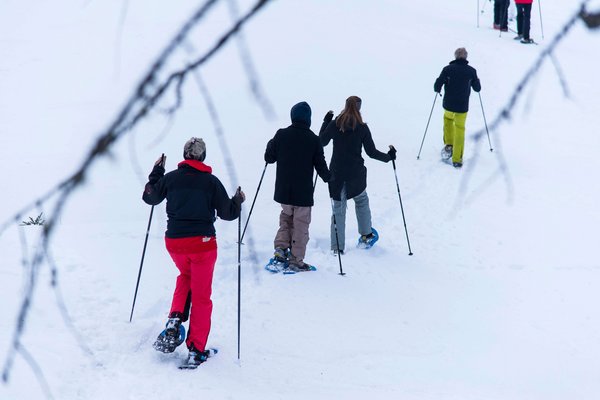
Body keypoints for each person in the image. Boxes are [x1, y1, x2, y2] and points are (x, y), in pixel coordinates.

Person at [142, 137, 245, 368]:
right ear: (203, 156)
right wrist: (237, 200)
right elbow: (228, 213)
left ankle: (174, 320)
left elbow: (150, 197)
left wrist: (157, 172)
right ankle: (196, 350)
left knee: (185, 276)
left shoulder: (171, 178)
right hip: (202, 245)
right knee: (201, 297)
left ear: (185, 155)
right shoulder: (210, 182)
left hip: (175, 243)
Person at [319, 96, 396, 255]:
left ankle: (337, 248)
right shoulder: (362, 128)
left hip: (336, 175)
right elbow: (372, 153)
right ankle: (367, 235)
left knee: (339, 210)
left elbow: (321, 142)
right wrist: (389, 157)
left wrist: (326, 122)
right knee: (361, 201)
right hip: (356, 175)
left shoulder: (336, 124)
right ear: (359, 108)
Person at [264, 101, 332, 272]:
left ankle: (280, 250)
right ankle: (296, 260)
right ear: (308, 119)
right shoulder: (313, 140)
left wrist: (270, 145)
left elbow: (269, 158)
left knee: (286, 219)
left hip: (284, 191)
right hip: (303, 193)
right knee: (301, 224)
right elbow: (321, 166)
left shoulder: (281, 134)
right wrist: (330, 178)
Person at [434, 48, 481, 168]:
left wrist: (438, 87)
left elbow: (437, 85)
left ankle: (449, 144)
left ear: (455, 56)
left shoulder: (448, 69)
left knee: (448, 121)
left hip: (448, 105)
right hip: (462, 107)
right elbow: (477, 88)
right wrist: (477, 81)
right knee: (460, 129)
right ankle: (457, 159)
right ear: (466, 57)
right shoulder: (471, 71)